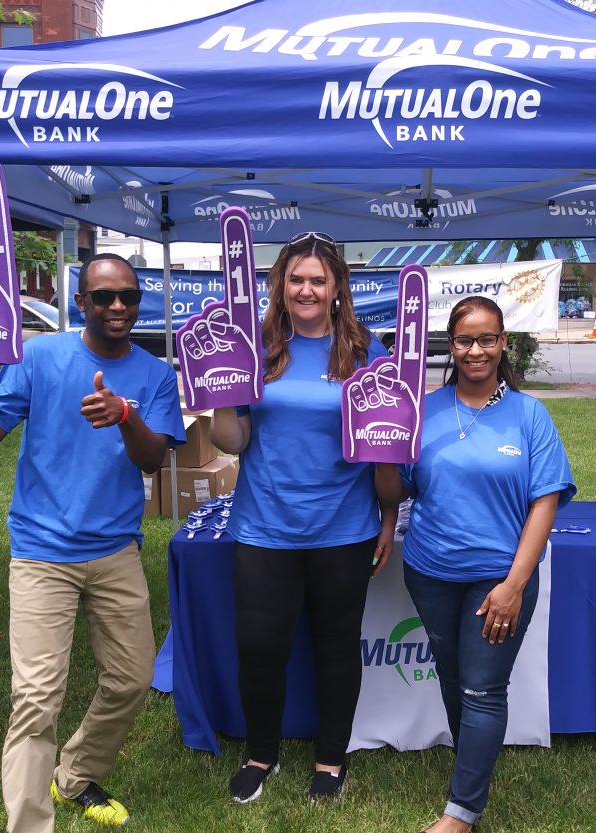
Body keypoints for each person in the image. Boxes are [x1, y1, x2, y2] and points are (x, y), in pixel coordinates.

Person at [0, 253, 186, 833]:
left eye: (129, 297)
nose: (118, 307)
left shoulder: (156, 374)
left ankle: (77, 774)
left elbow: (153, 457)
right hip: (41, 553)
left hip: (115, 550)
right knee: (37, 698)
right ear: (80, 302)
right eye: (104, 297)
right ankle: (29, 824)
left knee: (133, 678)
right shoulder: (40, 356)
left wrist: (124, 414)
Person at [375, 296, 576, 833]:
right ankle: (474, 770)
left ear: (503, 342)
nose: (475, 350)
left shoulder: (529, 415)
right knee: (452, 679)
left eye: (487, 338)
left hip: (498, 578)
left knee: (483, 689)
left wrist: (515, 583)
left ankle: (461, 813)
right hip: (430, 570)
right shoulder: (423, 410)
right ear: (452, 344)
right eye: (465, 340)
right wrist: (383, 452)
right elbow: (398, 489)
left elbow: (546, 503)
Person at [211, 231, 394, 804]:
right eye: (296, 279)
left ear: (338, 286)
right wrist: (222, 389)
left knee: (336, 647)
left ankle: (330, 761)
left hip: (345, 526)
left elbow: (387, 446)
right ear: (279, 287)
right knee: (261, 646)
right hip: (265, 526)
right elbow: (232, 440)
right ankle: (261, 753)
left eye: (318, 279)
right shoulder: (255, 349)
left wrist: (389, 519)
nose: (307, 289)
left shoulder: (367, 354)